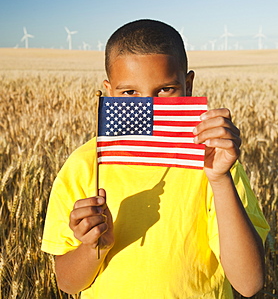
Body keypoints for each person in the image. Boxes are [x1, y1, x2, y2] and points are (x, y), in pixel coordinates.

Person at [42, 19, 269, 298]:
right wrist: (92, 248)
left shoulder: (213, 161)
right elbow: (67, 283)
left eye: (165, 89)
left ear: (188, 85)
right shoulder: (84, 165)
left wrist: (220, 179)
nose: (147, 106)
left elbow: (249, 283)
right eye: (130, 93)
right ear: (109, 90)